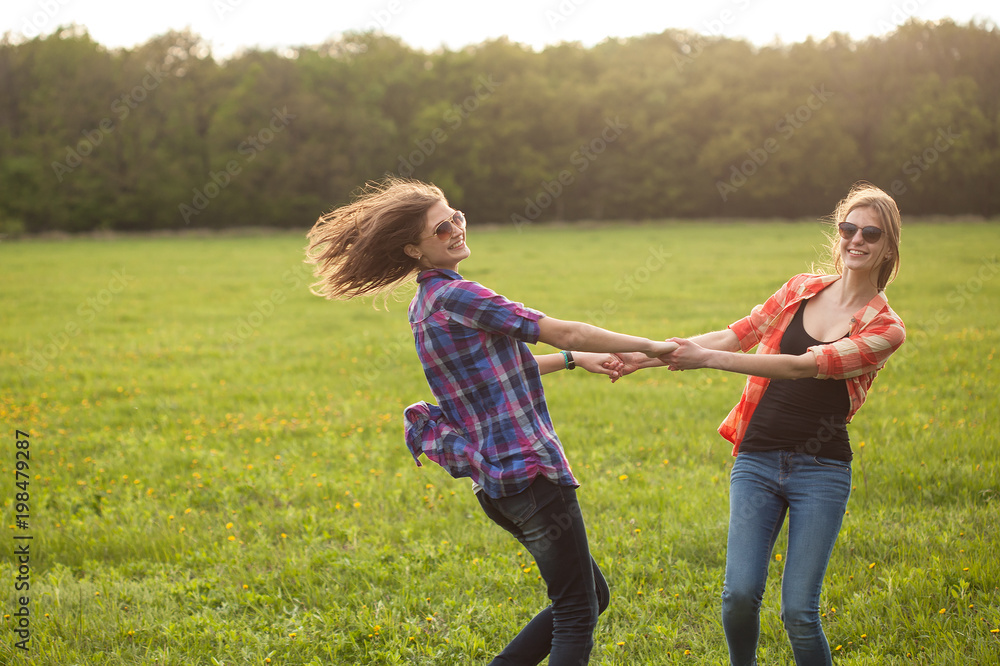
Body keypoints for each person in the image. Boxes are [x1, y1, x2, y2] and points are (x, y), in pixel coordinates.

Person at [305, 176, 677, 665]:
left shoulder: (426, 306)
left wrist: (571, 360)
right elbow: (559, 328)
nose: (456, 229)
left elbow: (488, 374)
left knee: (589, 597)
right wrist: (651, 346)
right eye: (441, 228)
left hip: (499, 485)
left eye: (455, 217)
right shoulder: (459, 296)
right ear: (413, 249)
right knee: (576, 611)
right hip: (530, 475)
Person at [615, 182, 905, 665]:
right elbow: (739, 333)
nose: (856, 240)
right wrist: (645, 357)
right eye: (848, 228)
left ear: (888, 246)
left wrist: (705, 360)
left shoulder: (885, 329)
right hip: (757, 458)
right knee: (739, 594)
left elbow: (802, 366)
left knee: (798, 612)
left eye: (870, 233)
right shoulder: (800, 289)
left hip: (822, 470)